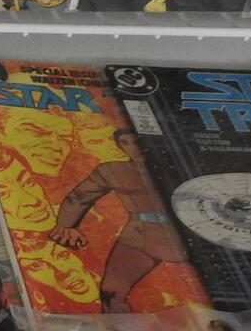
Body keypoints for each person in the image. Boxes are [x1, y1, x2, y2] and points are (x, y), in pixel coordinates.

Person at [50, 127, 194, 311]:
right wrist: (65, 225)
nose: (133, 148)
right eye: (125, 143)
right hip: (140, 235)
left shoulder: (179, 167)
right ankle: (120, 328)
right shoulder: (113, 170)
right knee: (111, 292)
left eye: (138, 142)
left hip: (187, 233)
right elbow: (79, 196)